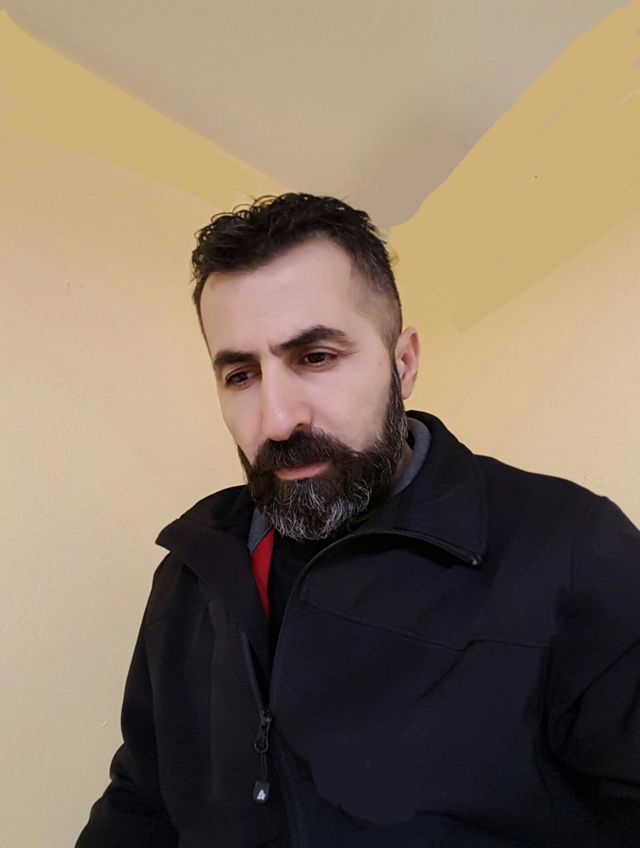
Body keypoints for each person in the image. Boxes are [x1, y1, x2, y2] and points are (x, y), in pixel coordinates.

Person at [76, 193, 640, 848]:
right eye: (241, 374)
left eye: (315, 357)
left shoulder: (571, 547)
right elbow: (143, 800)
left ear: (404, 363)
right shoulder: (193, 569)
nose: (278, 419)